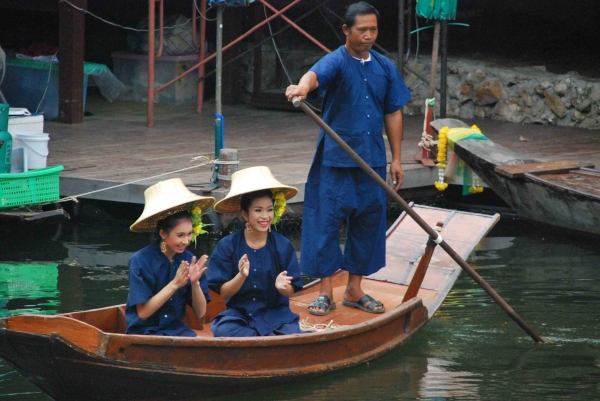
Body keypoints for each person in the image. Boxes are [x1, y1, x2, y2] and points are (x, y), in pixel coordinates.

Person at [285, 1, 412, 316]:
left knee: (368, 222)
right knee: (326, 223)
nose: (368, 36)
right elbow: (313, 76)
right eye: (362, 30)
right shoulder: (337, 61)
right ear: (346, 29)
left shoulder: (384, 66)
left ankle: (355, 288)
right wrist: (301, 88)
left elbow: (393, 112)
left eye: (373, 30)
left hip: (372, 162)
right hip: (335, 162)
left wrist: (396, 159)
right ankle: (325, 291)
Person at [207, 166, 303, 337]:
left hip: (276, 315)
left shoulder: (283, 245)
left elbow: (291, 290)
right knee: (223, 330)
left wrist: (282, 287)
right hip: (240, 316)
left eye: (269, 209)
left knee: (290, 333)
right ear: (245, 214)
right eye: (258, 210)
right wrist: (241, 276)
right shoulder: (228, 245)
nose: (265, 216)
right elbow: (223, 293)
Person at [126, 178, 216, 337]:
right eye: (180, 235)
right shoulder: (140, 261)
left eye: (189, 234)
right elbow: (143, 313)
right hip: (145, 333)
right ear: (163, 234)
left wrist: (194, 283)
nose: (186, 241)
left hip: (178, 331)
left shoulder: (188, 259)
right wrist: (174, 284)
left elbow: (200, 312)